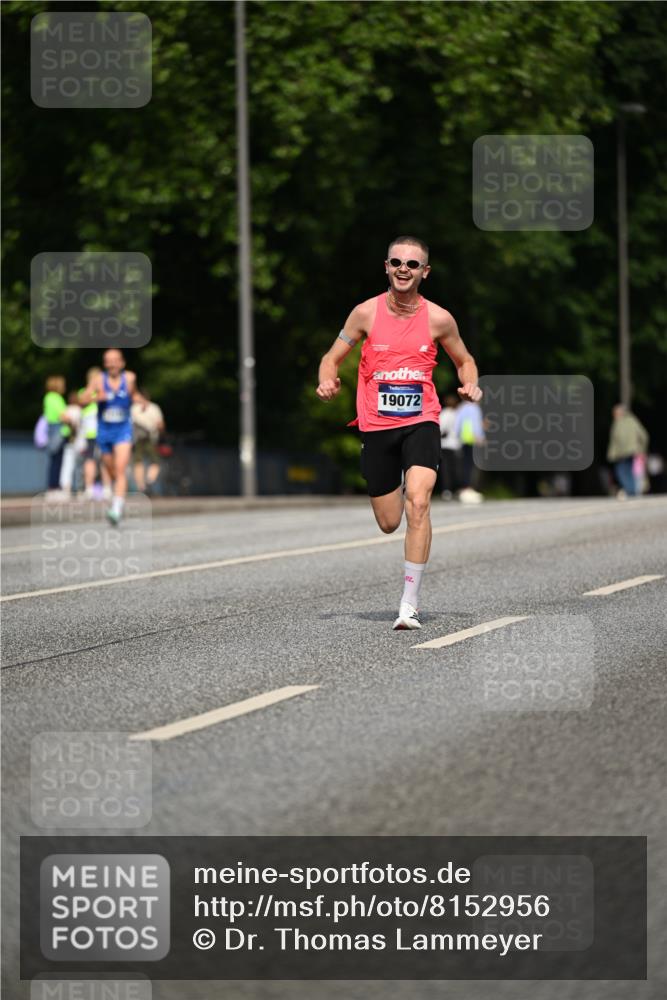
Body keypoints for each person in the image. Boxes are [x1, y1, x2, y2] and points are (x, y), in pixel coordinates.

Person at [316, 236, 482, 630]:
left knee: (418, 503)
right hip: (377, 426)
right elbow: (331, 358)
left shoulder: (439, 319)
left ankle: (409, 605)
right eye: (396, 262)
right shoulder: (365, 313)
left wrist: (470, 384)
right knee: (389, 521)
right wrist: (327, 380)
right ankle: (397, 487)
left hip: (421, 420)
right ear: (386, 267)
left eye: (412, 264)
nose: (403, 269)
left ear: (425, 272)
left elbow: (465, 360)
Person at [79, 349, 142, 524]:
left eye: (115, 360)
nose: (112, 364)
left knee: (120, 469)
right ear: (105, 363)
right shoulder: (98, 380)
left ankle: (116, 508)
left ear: (122, 363)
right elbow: (82, 400)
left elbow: (134, 394)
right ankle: (118, 492)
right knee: (111, 468)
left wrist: (142, 401)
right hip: (104, 431)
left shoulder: (130, 378)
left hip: (123, 430)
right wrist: (96, 397)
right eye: (108, 360)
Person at [606, 404, 649, 498]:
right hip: (633, 451)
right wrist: (641, 448)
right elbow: (644, 436)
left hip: (621, 453)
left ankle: (631, 491)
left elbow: (614, 441)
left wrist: (611, 454)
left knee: (621, 471)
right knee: (630, 471)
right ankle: (632, 490)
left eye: (615, 413)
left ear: (619, 413)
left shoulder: (617, 423)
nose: (614, 415)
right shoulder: (633, 421)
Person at [132, 391, 166, 494]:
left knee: (155, 460)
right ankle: (141, 485)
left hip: (151, 438)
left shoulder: (153, 408)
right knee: (138, 461)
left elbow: (160, 424)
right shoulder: (134, 408)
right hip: (137, 438)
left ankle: (149, 480)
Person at [42, 375, 69, 499]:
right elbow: (63, 415)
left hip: (53, 429)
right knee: (57, 460)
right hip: (58, 429)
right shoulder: (55, 398)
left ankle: (53, 486)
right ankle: (54, 487)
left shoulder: (48, 397)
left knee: (55, 459)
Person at [455, 398, 485, 503]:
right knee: (471, 465)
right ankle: (469, 488)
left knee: (465, 464)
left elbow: (457, 423)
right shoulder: (474, 408)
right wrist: (480, 436)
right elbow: (476, 423)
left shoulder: (462, 407)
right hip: (472, 439)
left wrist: (457, 437)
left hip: (464, 439)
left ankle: (465, 487)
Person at [59, 391, 85, 497]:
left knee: (67, 465)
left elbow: (62, 420)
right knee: (80, 466)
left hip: (69, 440)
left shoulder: (66, 410)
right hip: (81, 441)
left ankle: (66, 488)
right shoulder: (81, 411)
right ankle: (80, 489)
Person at [438, 394, 461, 500]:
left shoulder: (444, 413)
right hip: (455, 445)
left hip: (445, 444)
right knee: (455, 468)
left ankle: (446, 490)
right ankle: (456, 489)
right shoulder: (458, 414)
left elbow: (441, 429)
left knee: (445, 469)